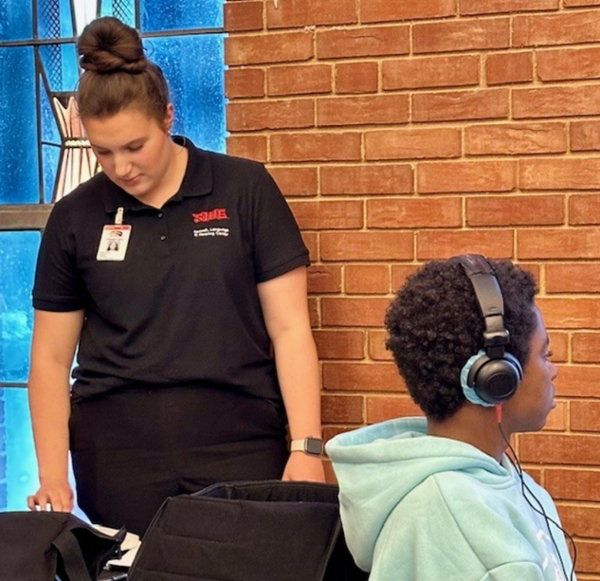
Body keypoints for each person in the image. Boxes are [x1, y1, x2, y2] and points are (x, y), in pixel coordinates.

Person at [27, 16, 324, 536]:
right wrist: (54, 476)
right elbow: (51, 360)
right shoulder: (74, 217)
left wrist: (306, 448)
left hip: (240, 444)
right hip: (115, 455)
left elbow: (291, 330)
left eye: (134, 146)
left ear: (168, 116)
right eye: (103, 152)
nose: (120, 167)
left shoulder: (244, 189)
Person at [326, 255, 577, 580]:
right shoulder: (459, 525)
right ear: (497, 378)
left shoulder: (506, 483)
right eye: (546, 354)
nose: (554, 371)